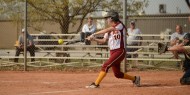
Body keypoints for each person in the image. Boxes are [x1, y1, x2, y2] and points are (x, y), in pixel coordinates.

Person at [85, 11, 140, 88]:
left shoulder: (120, 25)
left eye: (108, 18)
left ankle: (96, 84)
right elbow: (103, 40)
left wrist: (94, 34)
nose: (106, 20)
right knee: (117, 74)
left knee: (105, 65)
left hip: (120, 51)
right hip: (113, 52)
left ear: (112, 18)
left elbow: (110, 29)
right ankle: (135, 79)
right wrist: (93, 39)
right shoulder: (109, 30)